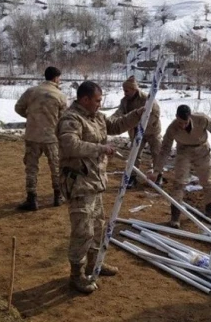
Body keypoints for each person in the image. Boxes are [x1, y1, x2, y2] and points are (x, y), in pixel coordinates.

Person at [57, 81, 145, 294]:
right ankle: (76, 274)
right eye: (97, 100)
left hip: (95, 182)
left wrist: (141, 112)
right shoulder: (71, 119)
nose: (100, 103)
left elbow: (115, 125)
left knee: (98, 226)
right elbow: (69, 145)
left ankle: (94, 264)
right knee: (83, 231)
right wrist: (100, 148)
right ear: (85, 99)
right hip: (79, 184)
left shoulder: (96, 116)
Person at [149, 105, 211, 228]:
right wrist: (157, 170)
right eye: (180, 122)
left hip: (202, 149)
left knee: (208, 181)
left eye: (185, 122)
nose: (183, 125)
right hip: (183, 151)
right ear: (176, 117)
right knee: (179, 182)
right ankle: (175, 216)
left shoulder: (201, 119)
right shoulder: (172, 129)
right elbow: (165, 149)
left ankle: (210, 210)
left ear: (190, 117)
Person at [14, 66, 68, 211]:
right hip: (51, 137)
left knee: (31, 168)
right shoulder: (60, 95)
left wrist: (31, 117)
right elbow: (64, 118)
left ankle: (31, 199)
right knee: (56, 167)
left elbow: (18, 107)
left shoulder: (31, 92)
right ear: (56, 78)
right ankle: (58, 196)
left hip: (32, 135)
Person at [112, 76, 162, 188]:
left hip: (152, 131)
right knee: (134, 154)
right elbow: (120, 112)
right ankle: (132, 177)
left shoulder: (147, 99)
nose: (124, 93)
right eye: (123, 90)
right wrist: (111, 120)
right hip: (135, 133)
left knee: (156, 153)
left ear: (134, 89)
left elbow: (155, 114)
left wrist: (140, 124)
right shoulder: (124, 101)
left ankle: (158, 176)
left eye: (126, 90)